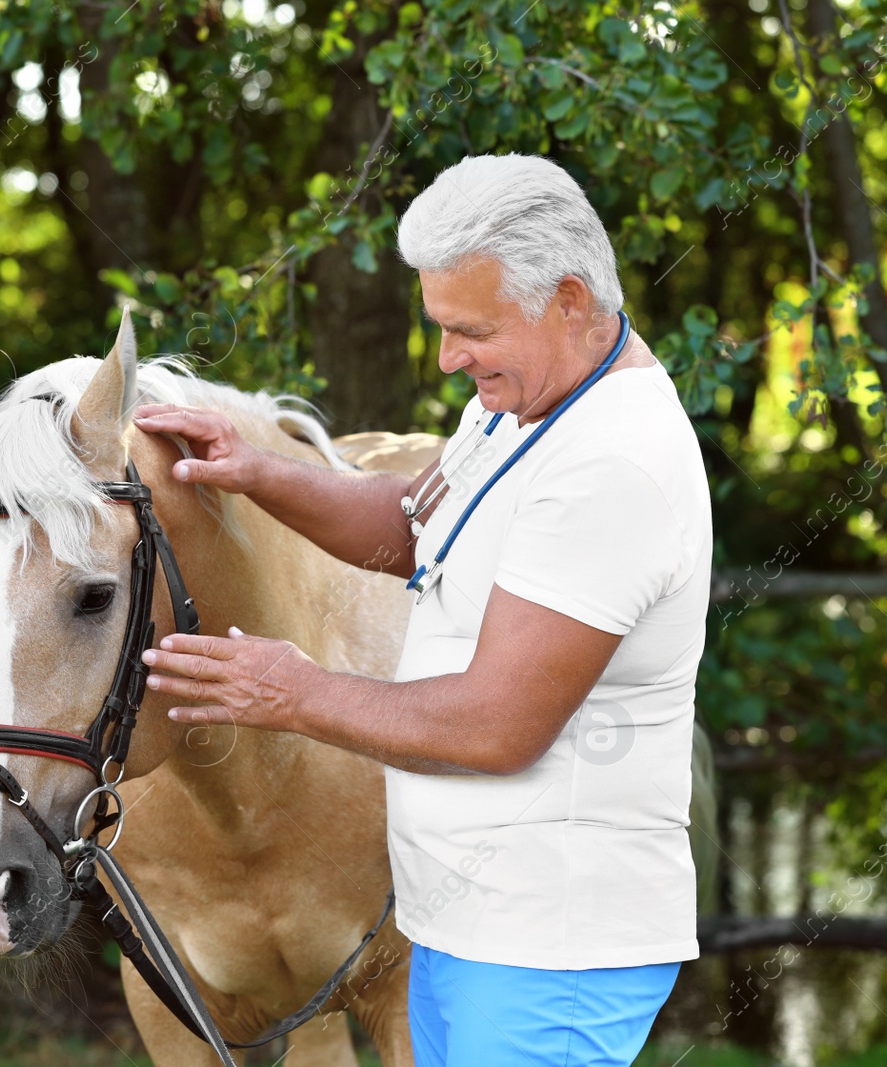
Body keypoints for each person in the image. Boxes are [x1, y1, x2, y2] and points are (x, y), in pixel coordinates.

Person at [133, 153, 712, 1067]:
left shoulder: (612, 464)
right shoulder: (522, 406)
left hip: (547, 949)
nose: (448, 357)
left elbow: (497, 725)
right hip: (462, 928)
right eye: (439, 326)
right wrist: (257, 471)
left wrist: (292, 691)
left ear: (568, 299)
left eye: (470, 329)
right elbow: (416, 529)